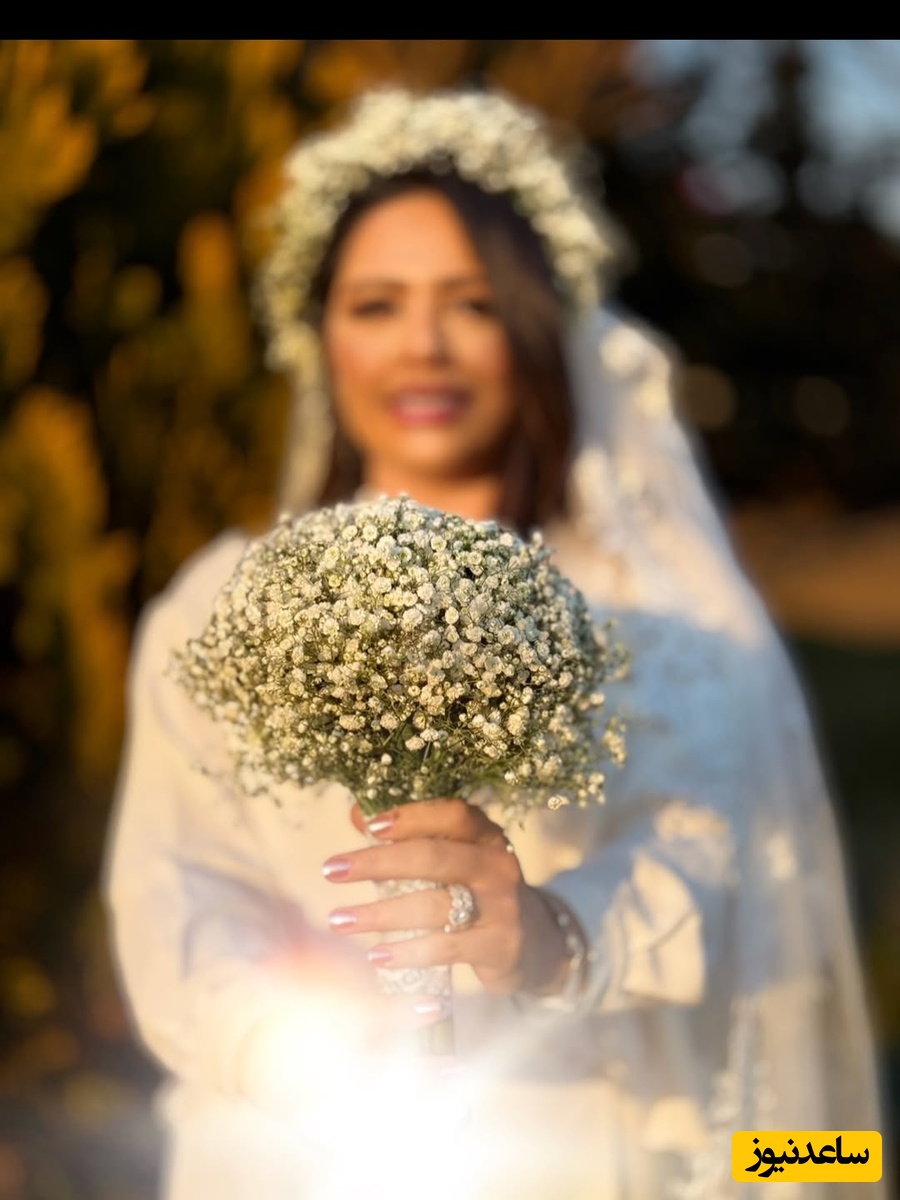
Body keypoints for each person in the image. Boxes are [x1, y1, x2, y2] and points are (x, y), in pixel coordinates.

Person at [103, 87, 888, 1199]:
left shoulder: (656, 609)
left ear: (536, 328)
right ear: (320, 335)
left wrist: (551, 935)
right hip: (300, 1151)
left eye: (471, 303)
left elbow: (717, 862)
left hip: (589, 1147)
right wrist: (294, 1052)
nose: (421, 345)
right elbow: (179, 887)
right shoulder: (221, 605)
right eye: (376, 304)